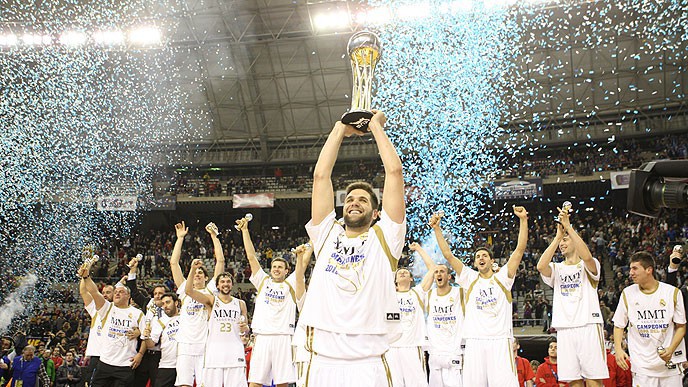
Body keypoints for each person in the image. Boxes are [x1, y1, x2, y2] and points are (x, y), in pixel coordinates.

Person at [299, 111, 405, 386]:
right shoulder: (326, 234)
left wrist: (376, 127)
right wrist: (339, 130)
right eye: (349, 199)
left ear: (375, 213)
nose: (354, 202)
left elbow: (394, 173)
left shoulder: (385, 238)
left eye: (362, 200)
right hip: (322, 359)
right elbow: (321, 176)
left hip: (369, 363)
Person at [433, 206, 528, 387]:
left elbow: (519, 250)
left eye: (485, 255)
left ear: (492, 261)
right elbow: (448, 255)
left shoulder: (503, 277)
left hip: (500, 341)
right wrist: (437, 229)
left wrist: (523, 220)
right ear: (475, 263)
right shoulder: (469, 278)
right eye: (478, 256)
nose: (481, 258)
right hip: (475, 341)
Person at [536, 207, 608, 386]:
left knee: (593, 378)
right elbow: (540, 266)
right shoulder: (556, 268)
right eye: (562, 241)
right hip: (565, 327)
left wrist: (569, 228)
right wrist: (558, 237)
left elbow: (588, 256)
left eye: (566, 240)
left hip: (588, 324)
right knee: (572, 380)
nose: (562, 243)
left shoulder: (589, 265)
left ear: (576, 242)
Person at [238, 216, 299, 387]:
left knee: (282, 383)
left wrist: (307, 248)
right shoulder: (263, 282)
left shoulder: (291, 284)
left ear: (287, 271)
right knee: (255, 382)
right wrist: (245, 231)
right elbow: (251, 257)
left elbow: (304, 263)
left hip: (283, 336)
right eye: (274, 267)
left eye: (280, 267)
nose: (276, 269)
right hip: (262, 336)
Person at [612, 251, 687, 386]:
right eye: (630, 269)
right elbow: (618, 325)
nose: (631, 273)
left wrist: (671, 349)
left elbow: (681, 326)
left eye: (635, 268)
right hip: (642, 365)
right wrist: (618, 349)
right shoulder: (627, 293)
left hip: (669, 364)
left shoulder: (672, 293)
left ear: (649, 270)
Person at [170, 221, 224, 387]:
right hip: (185, 344)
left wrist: (214, 237)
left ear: (207, 278)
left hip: (205, 344)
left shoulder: (211, 291)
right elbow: (174, 263)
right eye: (196, 272)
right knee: (183, 384)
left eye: (201, 272)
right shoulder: (183, 290)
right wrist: (180, 239)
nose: (198, 274)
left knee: (205, 384)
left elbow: (220, 262)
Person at [184, 259, 249, 387]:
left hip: (235, 351)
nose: (226, 284)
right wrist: (192, 270)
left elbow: (245, 329)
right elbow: (188, 292)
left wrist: (246, 327)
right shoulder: (211, 300)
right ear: (218, 286)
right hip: (214, 352)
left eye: (228, 282)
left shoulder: (240, 304)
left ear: (232, 284)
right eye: (222, 282)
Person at [79, 263, 145, 387]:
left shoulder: (137, 313)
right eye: (116, 292)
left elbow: (147, 336)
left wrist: (140, 354)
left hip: (126, 365)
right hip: (104, 363)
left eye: (121, 292)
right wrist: (86, 277)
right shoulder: (107, 308)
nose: (117, 293)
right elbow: (93, 292)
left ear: (129, 296)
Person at [390, 242, 436, 387]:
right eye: (399, 272)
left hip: (412, 347)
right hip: (391, 348)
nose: (402, 272)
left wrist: (418, 249)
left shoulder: (417, 293)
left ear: (411, 279)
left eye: (406, 272)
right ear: (395, 280)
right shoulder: (388, 295)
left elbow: (433, 269)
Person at [127, 257, 168, 387]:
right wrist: (133, 270)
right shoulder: (147, 303)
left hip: (160, 355)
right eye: (155, 293)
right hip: (143, 353)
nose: (157, 295)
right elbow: (133, 290)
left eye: (161, 293)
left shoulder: (171, 311)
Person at [425, 261, 463, 387]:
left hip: (453, 352)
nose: (439, 274)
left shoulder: (460, 293)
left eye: (442, 271)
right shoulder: (429, 295)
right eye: (436, 272)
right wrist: (419, 249)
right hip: (435, 353)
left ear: (449, 276)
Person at [79, 274, 114, 385]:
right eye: (103, 292)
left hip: (113, 356)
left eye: (108, 292)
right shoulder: (95, 309)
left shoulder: (119, 311)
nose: (104, 295)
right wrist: (84, 274)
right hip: (96, 355)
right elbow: (84, 292)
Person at [143, 292, 181, 387]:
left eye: (168, 302)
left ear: (176, 303)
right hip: (167, 365)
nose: (165, 306)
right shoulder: (161, 321)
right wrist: (146, 337)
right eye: (163, 304)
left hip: (184, 364)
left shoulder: (186, 317)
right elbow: (151, 344)